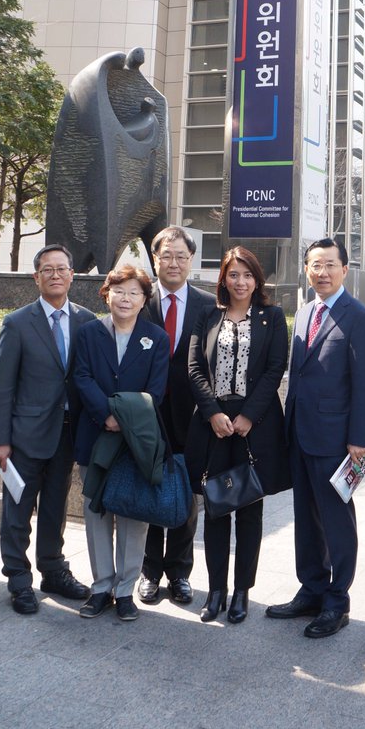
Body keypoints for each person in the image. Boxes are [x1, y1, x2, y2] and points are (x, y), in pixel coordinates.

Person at [266, 238, 365, 639]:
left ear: (344, 269)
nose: (322, 272)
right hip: (300, 433)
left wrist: (359, 440)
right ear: (307, 269)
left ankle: (337, 602)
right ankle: (311, 589)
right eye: (315, 265)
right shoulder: (306, 310)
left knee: (336, 520)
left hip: (337, 439)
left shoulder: (359, 317)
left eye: (330, 265)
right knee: (306, 519)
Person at [185, 247, 290, 624]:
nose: (240, 281)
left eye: (247, 275)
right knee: (215, 508)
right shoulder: (208, 315)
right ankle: (216, 590)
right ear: (223, 279)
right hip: (214, 425)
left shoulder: (272, 317)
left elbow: (276, 366)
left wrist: (248, 415)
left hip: (254, 425)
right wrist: (213, 412)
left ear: (257, 279)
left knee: (249, 508)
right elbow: (195, 367)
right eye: (233, 274)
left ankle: (243, 590)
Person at [0, 244, 95, 614]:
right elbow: (4, 387)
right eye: (46, 269)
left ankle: (53, 570)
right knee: (17, 511)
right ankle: (19, 579)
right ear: (36, 277)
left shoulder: (87, 321)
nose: (55, 274)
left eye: (61, 268)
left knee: (55, 507)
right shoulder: (17, 323)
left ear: (72, 275)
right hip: (25, 436)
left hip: (69, 433)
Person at [73, 264, 169, 621]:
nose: (125, 298)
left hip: (136, 441)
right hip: (95, 434)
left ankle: (126, 589)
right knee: (96, 511)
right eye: (119, 291)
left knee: (132, 514)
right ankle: (101, 587)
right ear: (106, 294)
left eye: (134, 292)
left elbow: (155, 392)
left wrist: (123, 420)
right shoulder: (89, 333)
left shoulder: (156, 338)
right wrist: (106, 415)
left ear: (144, 299)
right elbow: (81, 376)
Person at [138, 226, 216, 606]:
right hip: (148, 416)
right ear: (154, 259)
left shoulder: (207, 304)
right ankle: (150, 571)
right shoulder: (139, 297)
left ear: (191, 260)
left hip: (193, 416)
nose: (173, 263)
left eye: (181, 256)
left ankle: (180, 573)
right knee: (149, 490)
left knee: (187, 496)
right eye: (166, 256)